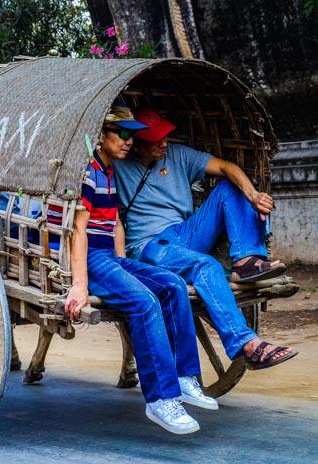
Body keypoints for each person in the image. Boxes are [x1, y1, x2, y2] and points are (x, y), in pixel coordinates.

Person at [65, 105, 216, 435]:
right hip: (90, 256)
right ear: (100, 136)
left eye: (132, 135)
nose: (129, 141)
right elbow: (78, 230)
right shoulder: (87, 174)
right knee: (145, 301)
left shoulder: (109, 172)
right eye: (121, 134)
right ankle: (160, 399)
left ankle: (184, 375)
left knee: (173, 284)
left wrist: (124, 266)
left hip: (109, 256)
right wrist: (79, 285)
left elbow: (116, 223)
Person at [114, 107, 298, 371]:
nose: (164, 143)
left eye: (165, 136)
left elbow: (226, 167)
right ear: (137, 143)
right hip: (151, 246)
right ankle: (248, 345)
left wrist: (254, 195)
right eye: (156, 139)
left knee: (229, 186)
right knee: (206, 266)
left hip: (186, 232)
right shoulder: (119, 167)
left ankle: (247, 260)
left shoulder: (177, 155)